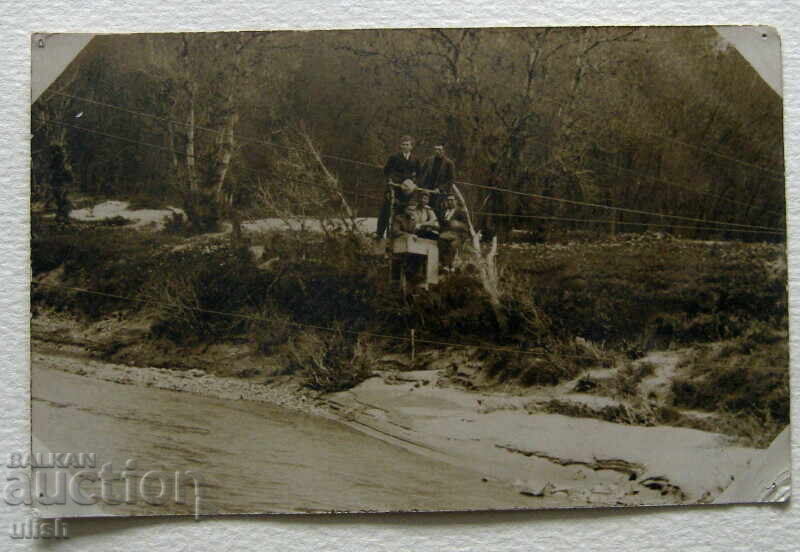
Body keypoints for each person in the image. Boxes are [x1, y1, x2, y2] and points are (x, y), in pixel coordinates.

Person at [376, 135, 421, 239]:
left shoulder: (415, 160)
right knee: (386, 210)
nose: (405, 146)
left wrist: (414, 184)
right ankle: (379, 233)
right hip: (395, 188)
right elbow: (386, 171)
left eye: (407, 145)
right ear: (400, 146)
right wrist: (391, 183)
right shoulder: (394, 157)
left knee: (401, 213)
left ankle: (398, 235)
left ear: (411, 146)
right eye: (403, 145)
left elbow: (419, 174)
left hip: (407, 191)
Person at [420, 143, 456, 216]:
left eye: (439, 149)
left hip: (440, 193)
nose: (437, 151)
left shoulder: (449, 163)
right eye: (436, 149)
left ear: (444, 151)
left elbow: (451, 180)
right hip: (428, 191)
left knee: (438, 211)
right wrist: (423, 187)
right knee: (425, 210)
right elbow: (422, 173)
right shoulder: (429, 160)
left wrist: (440, 189)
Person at [479, 162, 511, 242]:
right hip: (492, 200)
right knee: (488, 217)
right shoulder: (491, 178)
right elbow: (487, 189)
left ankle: (497, 236)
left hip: (498, 201)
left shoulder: (499, 179)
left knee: (496, 218)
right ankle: (487, 235)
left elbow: (502, 191)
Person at [437, 194, 469, 271]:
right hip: (444, 235)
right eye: (448, 200)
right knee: (441, 242)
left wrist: (458, 224)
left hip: (457, 235)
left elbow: (466, 227)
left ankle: (450, 266)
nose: (450, 202)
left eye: (452, 200)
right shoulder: (443, 212)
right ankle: (445, 265)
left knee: (453, 245)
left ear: (456, 201)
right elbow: (440, 224)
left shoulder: (460, 213)